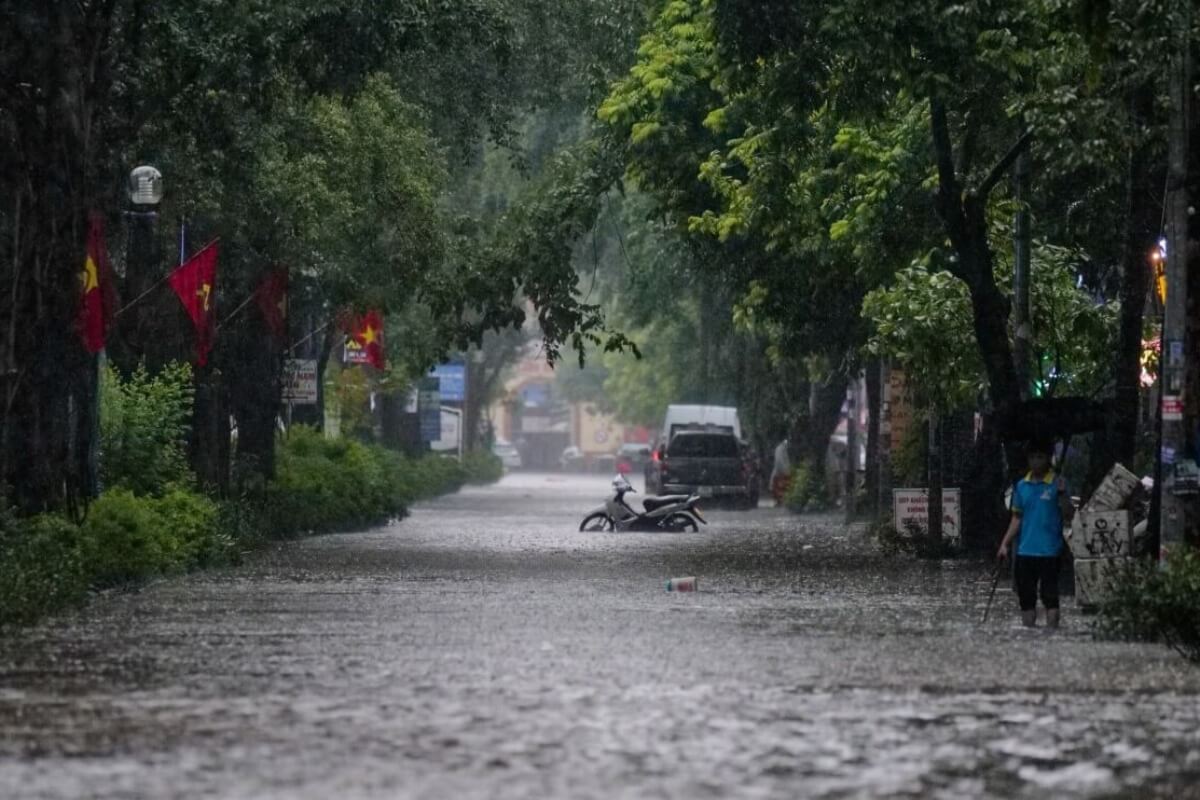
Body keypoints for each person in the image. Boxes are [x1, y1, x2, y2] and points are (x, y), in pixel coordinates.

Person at [997, 440, 1073, 628]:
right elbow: (1017, 518)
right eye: (1032, 457)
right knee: (1026, 600)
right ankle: (1029, 635)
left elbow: (1068, 514)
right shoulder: (1022, 486)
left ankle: (1052, 634)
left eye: (1040, 457)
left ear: (1048, 459)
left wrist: (1062, 494)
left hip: (1050, 552)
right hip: (1025, 551)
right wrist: (1005, 544)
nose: (1036, 462)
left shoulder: (1058, 483)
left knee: (1050, 597)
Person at [770, 436, 792, 506]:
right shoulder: (781, 448)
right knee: (781, 487)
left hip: (781, 472)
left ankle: (781, 501)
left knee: (781, 488)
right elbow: (780, 461)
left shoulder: (782, 448)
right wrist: (786, 471)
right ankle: (781, 501)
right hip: (781, 473)